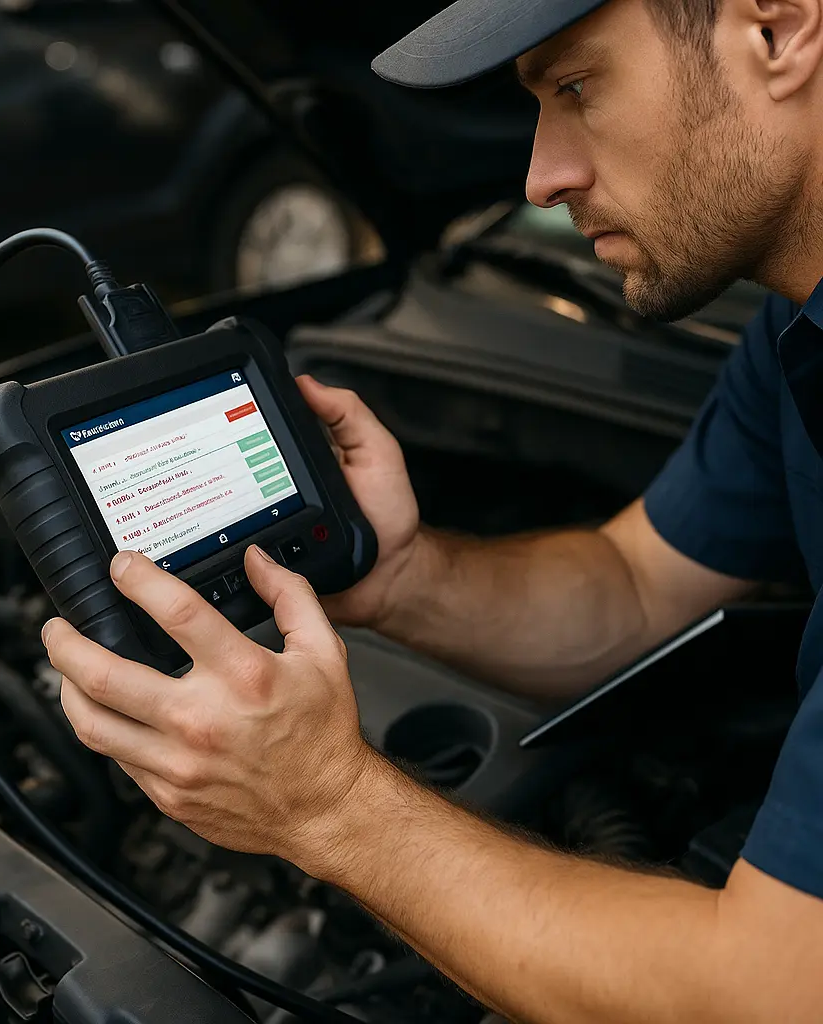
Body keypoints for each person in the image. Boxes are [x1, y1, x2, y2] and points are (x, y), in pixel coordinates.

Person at [42, 0, 823, 1018]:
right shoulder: (791, 331)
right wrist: (396, 572)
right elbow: (635, 587)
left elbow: (761, 995)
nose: (541, 178)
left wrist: (326, 803)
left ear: (777, 29)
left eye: (577, 86)